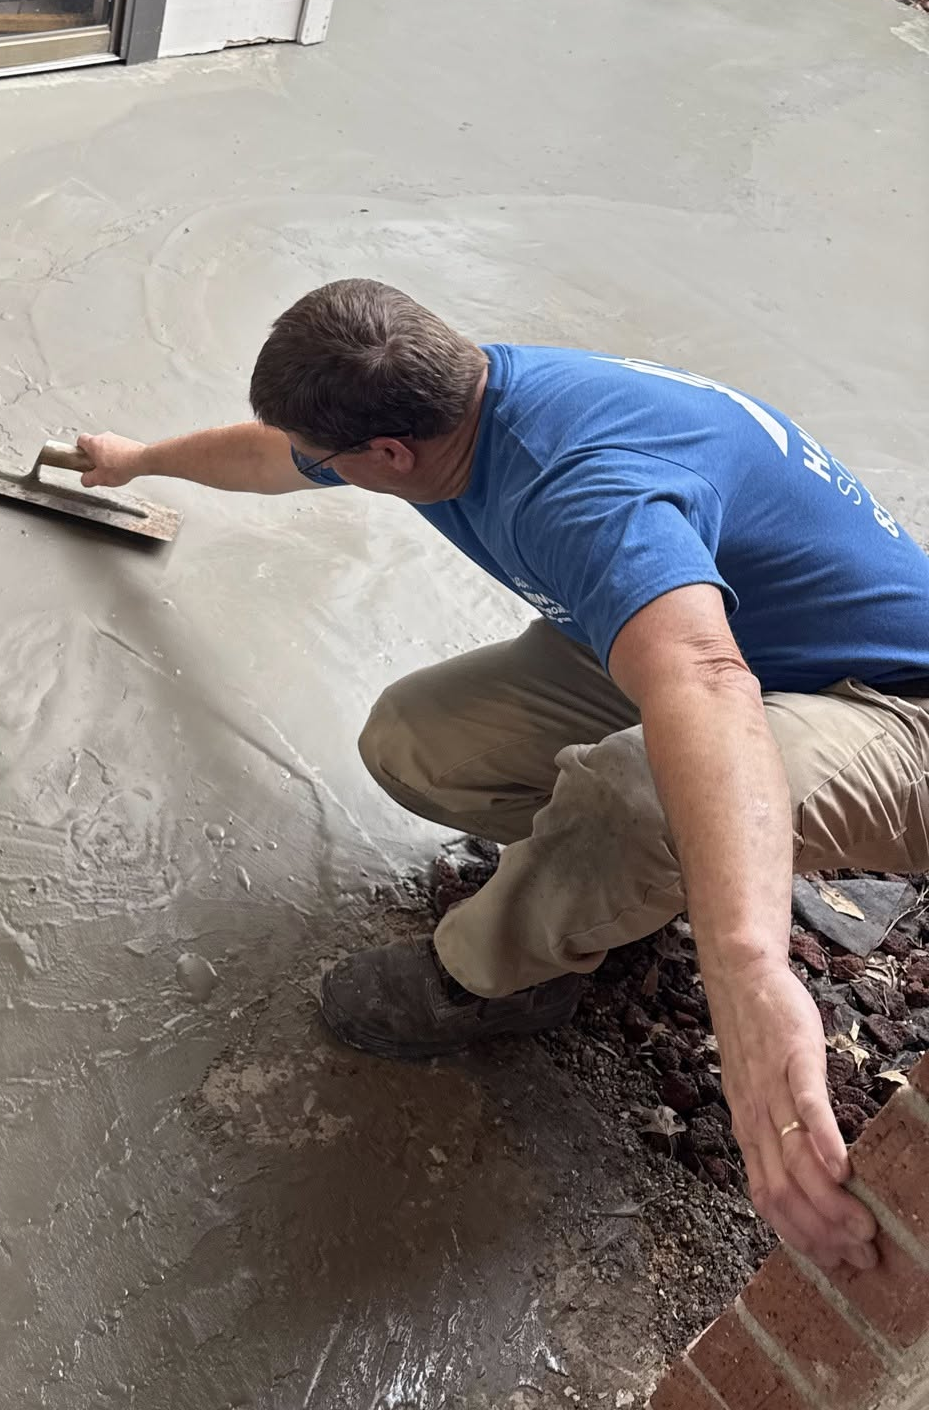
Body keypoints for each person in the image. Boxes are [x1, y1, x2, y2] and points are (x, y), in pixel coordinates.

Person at [76, 279, 929, 1276]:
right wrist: (134, 459)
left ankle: (497, 976)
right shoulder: (447, 396)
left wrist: (749, 970)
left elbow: (704, 679)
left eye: (334, 461)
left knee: (641, 793)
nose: (319, 468)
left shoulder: (584, 493)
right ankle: (631, 879)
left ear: (390, 456)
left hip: (889, 706)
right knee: (420, 741)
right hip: (738, 635)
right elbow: (271, 454)